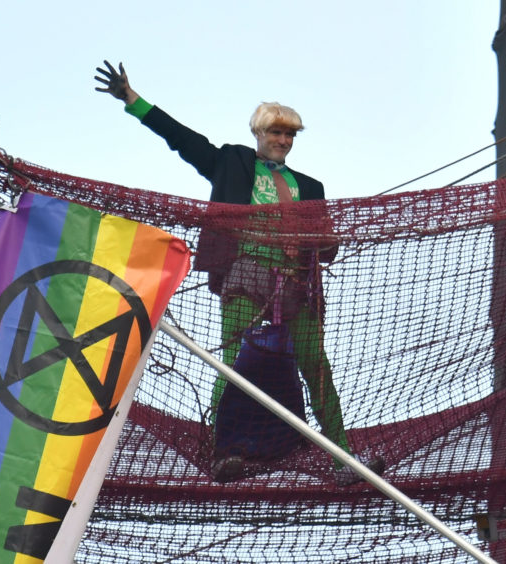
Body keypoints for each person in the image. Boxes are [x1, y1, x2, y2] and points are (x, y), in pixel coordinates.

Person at [94, 61, 381, 485]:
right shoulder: (232, 163)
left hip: (296, 283)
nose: (282, 141)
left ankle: (344, 461)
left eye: (289, 135)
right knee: (231, 362)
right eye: (275, 133)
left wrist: (325, 240)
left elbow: (326, 251)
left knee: (316, 365)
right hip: (247, 272)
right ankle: (220, 452)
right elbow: (183, 140)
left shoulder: (311, 187)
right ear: (258, 135)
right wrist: (133, 101)